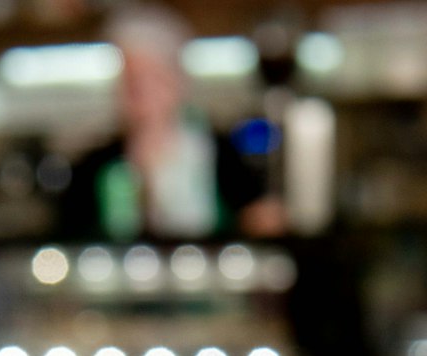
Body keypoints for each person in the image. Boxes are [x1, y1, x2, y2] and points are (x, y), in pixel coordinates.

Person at [61, 5, 285, 240]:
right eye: (130, 80)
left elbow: (256, 218)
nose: (139, 92)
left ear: (177, 81)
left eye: (152, 78)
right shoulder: (96, 166)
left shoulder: (222, 154)